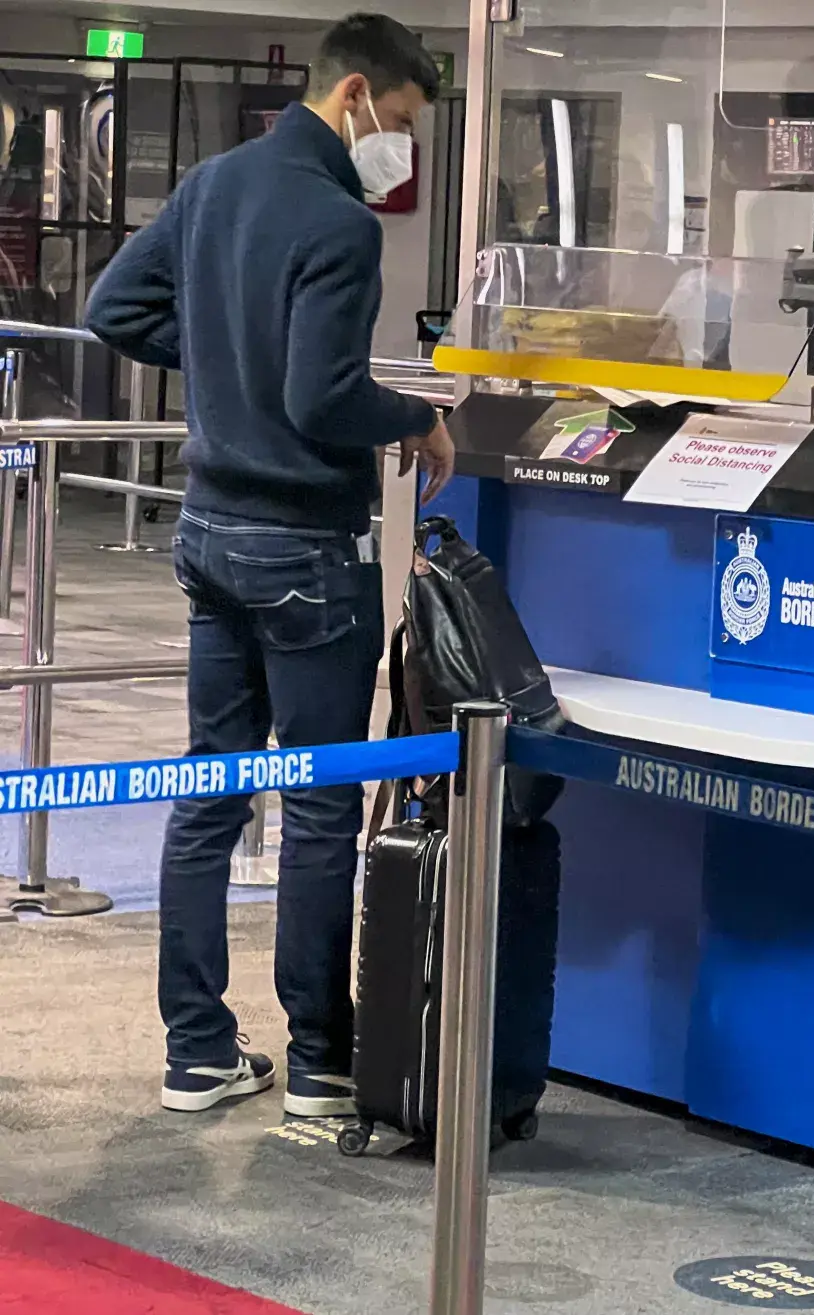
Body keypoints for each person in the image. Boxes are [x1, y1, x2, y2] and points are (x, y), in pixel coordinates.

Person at [85, 13, 455, 1117]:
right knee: (323, 800)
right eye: (397, 121)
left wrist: (219, 357)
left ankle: (195, 1049)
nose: (397, 146)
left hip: (206, 536)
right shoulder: (339, 223)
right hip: (303, 549)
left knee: (211, 787)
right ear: (353, 97)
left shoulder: (212, 184)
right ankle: (319, 1060)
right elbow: (322, 399)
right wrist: (418, 417)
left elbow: (115, 309)